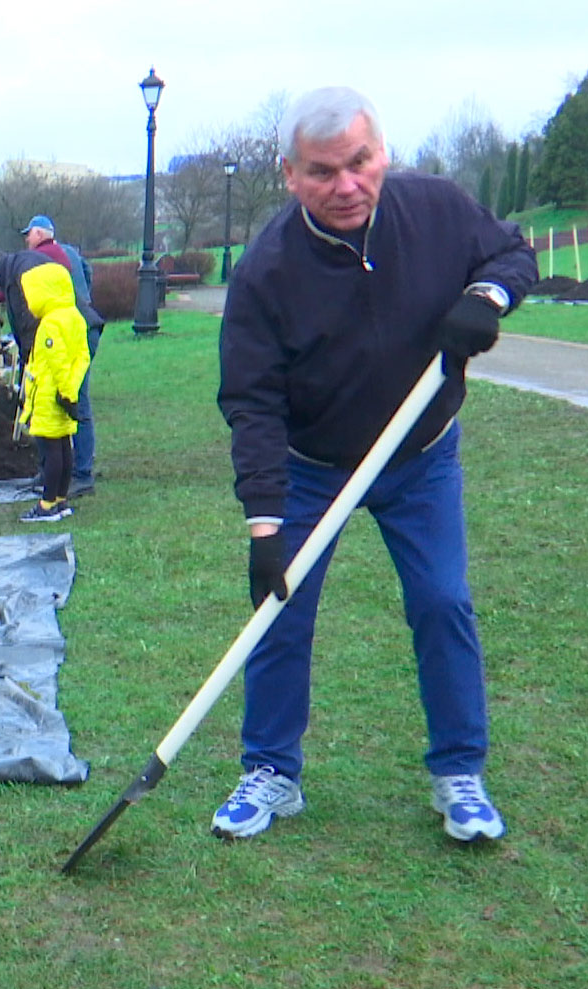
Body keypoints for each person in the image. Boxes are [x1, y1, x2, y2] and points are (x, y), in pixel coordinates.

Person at [213, 86, 534, 843]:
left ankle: (459, 771)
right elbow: (251, 403)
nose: (347, 185)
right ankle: (271, 770)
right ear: (289, 175)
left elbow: (512, 251)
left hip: (419, 457)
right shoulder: (264, 273)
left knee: (440, 600)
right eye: (322, 172)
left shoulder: (434, 209)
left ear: (381, 151)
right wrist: (265, 525)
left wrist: (487, 295)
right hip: (309, 467)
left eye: (359, 162)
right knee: (278, 611)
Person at [22, 215, 104, 495]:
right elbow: (88, 271)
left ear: (41, 234)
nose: (26, 239)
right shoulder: (68, 251)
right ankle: (63, 470)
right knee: (71, 398)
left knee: (75, 399)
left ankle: (81, 474)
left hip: (69, 328)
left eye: (29, 234)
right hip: (82, 321)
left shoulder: (45, 257)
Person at [13, 260, 89, 521]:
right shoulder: (75, 317)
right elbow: (82, 357)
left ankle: (46, 505)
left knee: (50, 452)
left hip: (49, 396)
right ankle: (60, 499)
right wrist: (73, 392)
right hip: (65, 396)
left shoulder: (50, 324)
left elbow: (56, 361)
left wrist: (65, 392)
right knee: (65, 448)